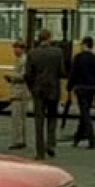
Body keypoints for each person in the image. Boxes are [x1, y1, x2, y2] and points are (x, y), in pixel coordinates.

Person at [24, 29, 64, 159]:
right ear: (49, 38)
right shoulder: (58, 52)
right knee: (52, 117)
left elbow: (28, 75)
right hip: (53, 89)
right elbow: (61, 72)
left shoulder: (32, 53)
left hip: (38, 90)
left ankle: (40, 152)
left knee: (39, 120)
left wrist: (32, 88)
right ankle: (50, 144)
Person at [67, 36, 95, 149]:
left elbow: (73, 74)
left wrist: (69, 88)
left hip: (81, 88)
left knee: (85, 113)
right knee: (85, 112)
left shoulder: (78, 58)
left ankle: (92, 140)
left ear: (84, 45)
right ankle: (77, 138)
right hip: (92, 88)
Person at [5, 40, 29, 150]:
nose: (14, 51)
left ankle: (18, 140)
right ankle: (21, 140)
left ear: (22, 48)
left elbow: (23, 76)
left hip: (19, 92)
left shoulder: (23, 60)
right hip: (21, 91)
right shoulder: (21, 59)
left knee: (17, 118)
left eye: (16, 48)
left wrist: (11, 77)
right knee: (20, 118)